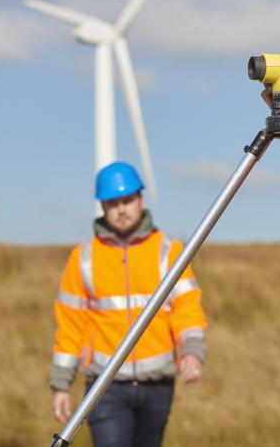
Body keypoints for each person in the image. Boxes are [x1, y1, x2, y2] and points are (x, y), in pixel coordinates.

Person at [50, 161, 207, 447]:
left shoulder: (169, 252)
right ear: (103, 207)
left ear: (141, 199)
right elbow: (70, 325)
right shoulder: (83, 258)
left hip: (158, 386)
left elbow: (187, 309)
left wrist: (193, 352)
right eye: (113, 203)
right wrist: (61, 384)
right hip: (104, 387)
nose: (121, 209)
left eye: (127, 200)